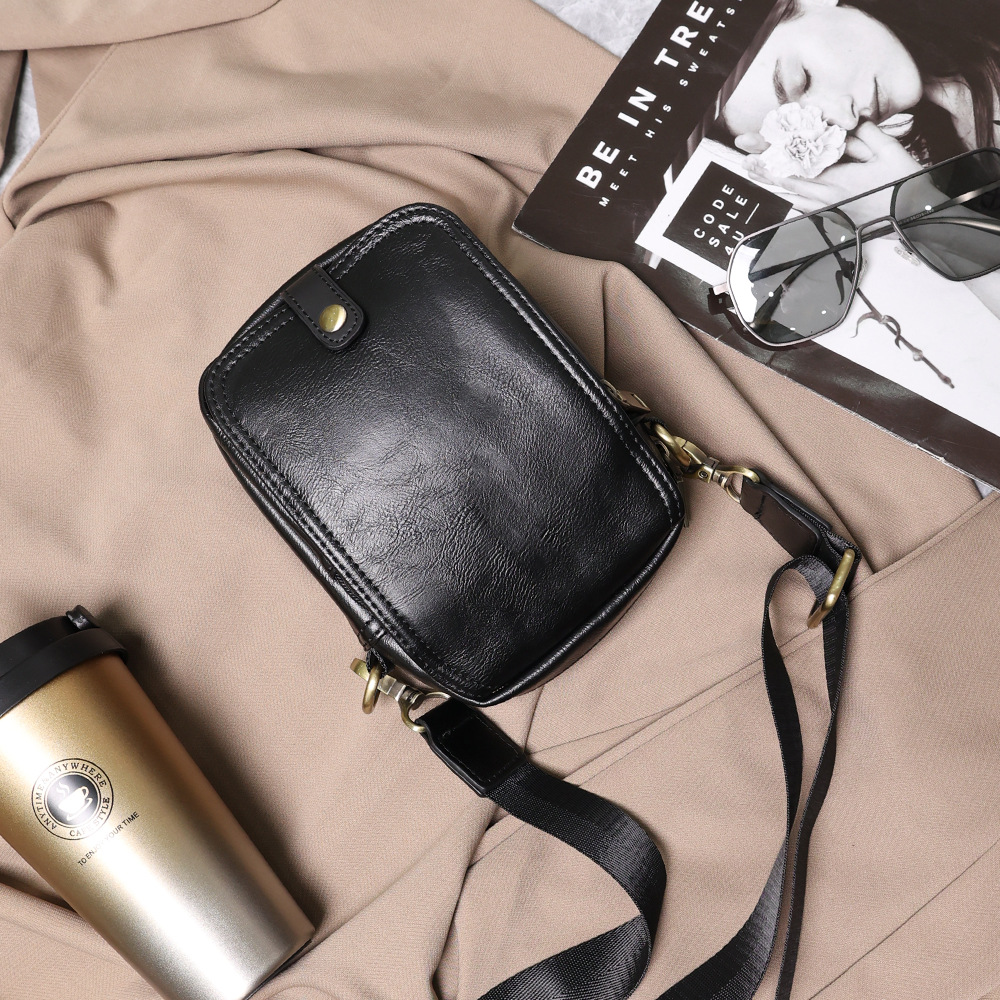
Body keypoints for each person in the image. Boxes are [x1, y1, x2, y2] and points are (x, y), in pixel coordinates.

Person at [722, 0, 1000, 216]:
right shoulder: (951, 158)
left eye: (804, 78)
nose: (846, 120)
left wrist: (919, 214)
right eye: (812, 123)